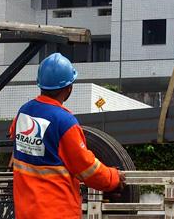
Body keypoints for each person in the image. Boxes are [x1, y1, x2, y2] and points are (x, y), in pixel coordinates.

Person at [8, 52, 126, 219]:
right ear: (69, 88)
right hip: (56, 212)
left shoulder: (24, 112)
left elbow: (14, 136)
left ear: (40, 84)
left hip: (26, 211)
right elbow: (87, 169)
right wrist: (113, 178)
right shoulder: (64, 122)